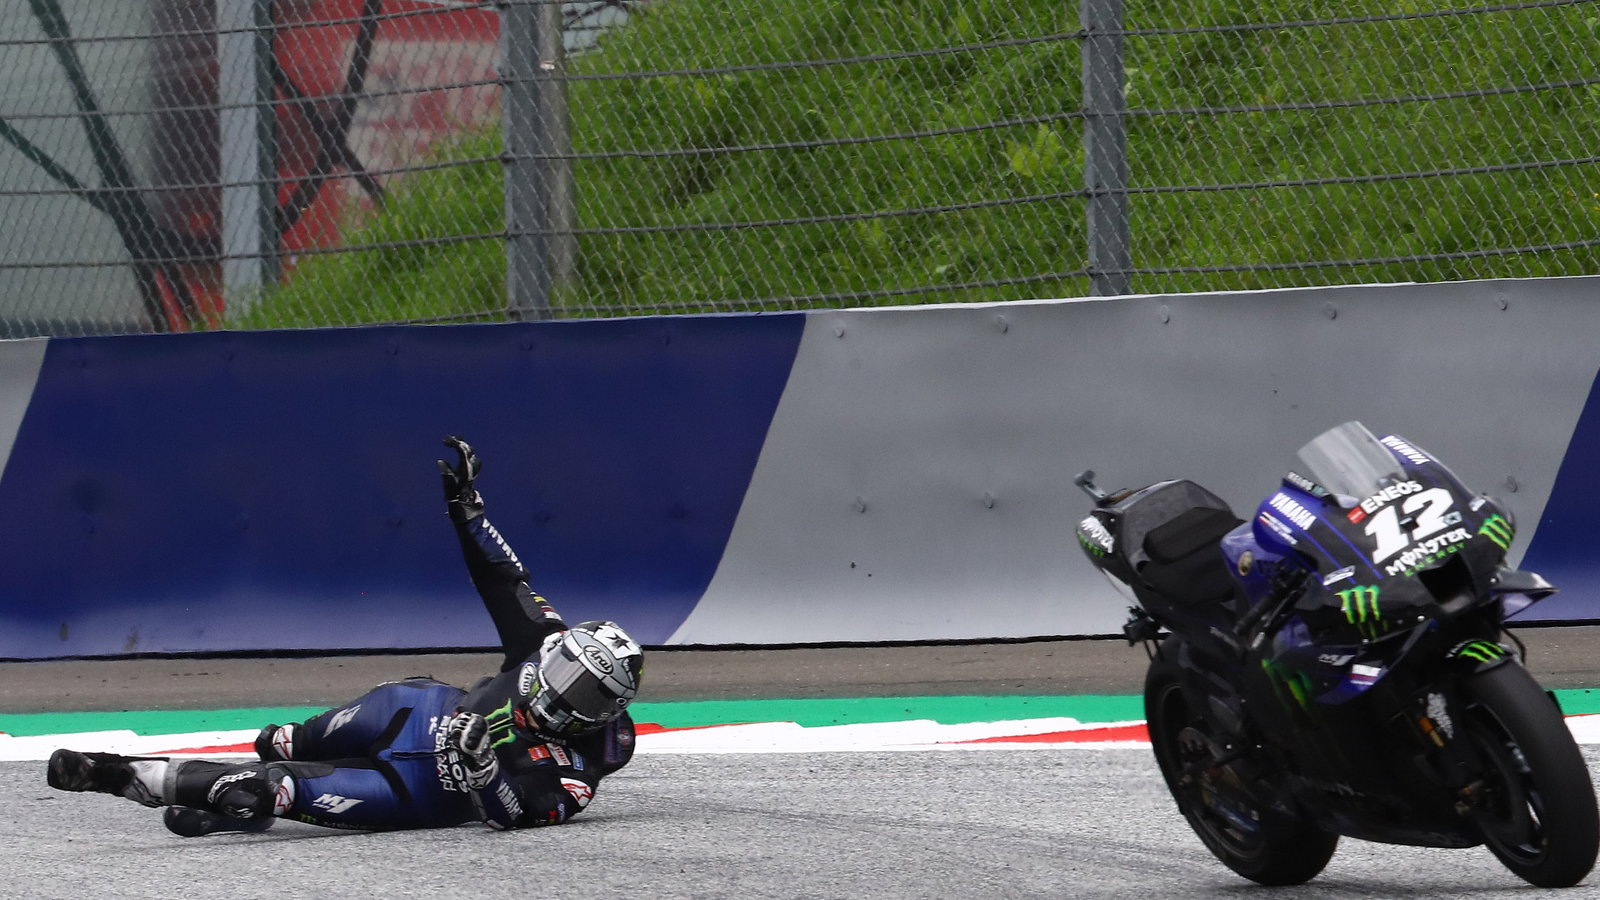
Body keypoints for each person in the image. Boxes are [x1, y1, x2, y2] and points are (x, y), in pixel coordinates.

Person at [45, 436, 645, 836]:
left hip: (410, 790)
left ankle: (111, 773)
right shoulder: (541, 641)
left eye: (583, 692)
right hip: (411, 710)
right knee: (276, 743)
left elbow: (511, 817)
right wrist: (468, 510)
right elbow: (504, 579)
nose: (560, 687)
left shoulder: (581, 770)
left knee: (268, 789)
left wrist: (483, 766)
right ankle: (235, 809)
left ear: (605, 712)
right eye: (566, 668)